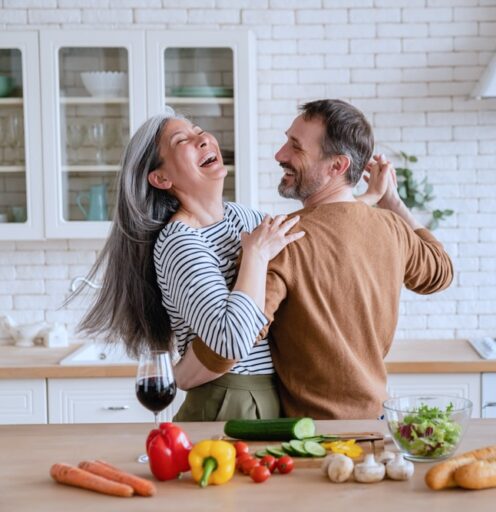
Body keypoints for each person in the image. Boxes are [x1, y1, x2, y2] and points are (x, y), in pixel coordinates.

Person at [205, 99, 453, 419]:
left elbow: (235, 340)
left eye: (296, 147)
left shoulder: (282, 239)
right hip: (376, 425)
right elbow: (441, 272)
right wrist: (393, 202)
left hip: (313, 435)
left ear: (337, 166)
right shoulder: (392, 227)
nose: (280, 155)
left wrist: (184, 371)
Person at [74, 110, 306, 421]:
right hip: (227, 400)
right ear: (161, 178)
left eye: (199, 131)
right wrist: (255, 256)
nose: (203, 139)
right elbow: (230, 341)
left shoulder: (245, 218)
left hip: (273, 395)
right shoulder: (179, 242)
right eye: (182, 140)